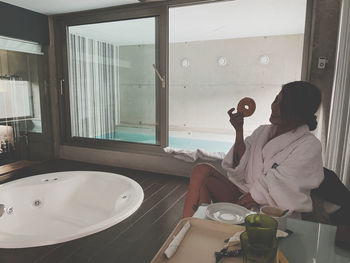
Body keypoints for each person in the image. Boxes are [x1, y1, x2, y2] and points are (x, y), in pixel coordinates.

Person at [182, 81, 324, 218]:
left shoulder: (309, 146)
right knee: (202, 170)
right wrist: (239, 130)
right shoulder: (262, 132)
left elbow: (283, 186)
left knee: (226, 215)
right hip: (243, 194)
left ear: (298, 113)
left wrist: (231, 210)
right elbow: (240, 166)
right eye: (275, 101)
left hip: (272, 210)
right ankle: (186, 227)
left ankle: (201, 229)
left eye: (282, 106)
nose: (274, 107)